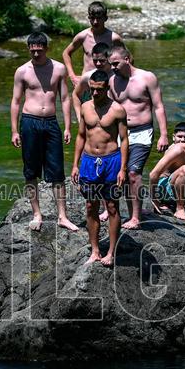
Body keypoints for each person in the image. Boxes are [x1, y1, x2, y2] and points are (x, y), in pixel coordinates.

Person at [11, 32, 79, 232]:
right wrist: (14, 130)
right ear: (28, 49)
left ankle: (62, 216)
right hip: (29, 122)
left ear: (46, 48)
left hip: (51, 122)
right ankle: (36, 214)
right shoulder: (22, 71)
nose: (36, 53)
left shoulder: (58, 68)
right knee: (31, 171)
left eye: (39, 50)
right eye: (32, 50)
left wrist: (67, 126)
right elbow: (15, 101)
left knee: (57, 171)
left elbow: (65, 99)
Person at [71, 70, 129, 267]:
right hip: (88, 161)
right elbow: (80, 136)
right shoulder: (85, 107)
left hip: (110, 161)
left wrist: (123, 168)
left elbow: (124, 140)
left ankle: (111, 252)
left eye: (99, 90)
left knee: (112, 207)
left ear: (107, 88)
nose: (95, 94)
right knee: (90, 206)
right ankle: (95, 250)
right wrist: (75, 165)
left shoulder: (118, 110)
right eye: (92, 89)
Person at [108, 43, 169, 229]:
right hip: (120, 132)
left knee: (134, 173)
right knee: (122, 175)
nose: (113, 68)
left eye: (115, 63)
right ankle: (127, 212)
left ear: (127, 59)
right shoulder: (112, 81)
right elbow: (110, 108)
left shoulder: (147, 78)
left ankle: (136, 217)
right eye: (111, 64)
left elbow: (158, 106)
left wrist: (163, 134)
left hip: (142, 131)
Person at [62, 1, 123, 89]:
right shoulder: (83, 36)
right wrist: (72, 76)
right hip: (87, 82)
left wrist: (122, 78)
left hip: (107, 83)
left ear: (105, 18)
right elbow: (66, 53)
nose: (95, 22)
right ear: (89, 18)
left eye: (98, 18)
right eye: (92, 18)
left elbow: (127, 58)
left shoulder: (114, 38)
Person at [147, 121, 185, 214]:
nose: (182, 140)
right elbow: (154, 174)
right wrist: (154, 199)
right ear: (173, 137)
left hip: (176, 186)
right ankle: (178, 206)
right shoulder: (174, 149)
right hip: (164, 186)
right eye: (179, 136)